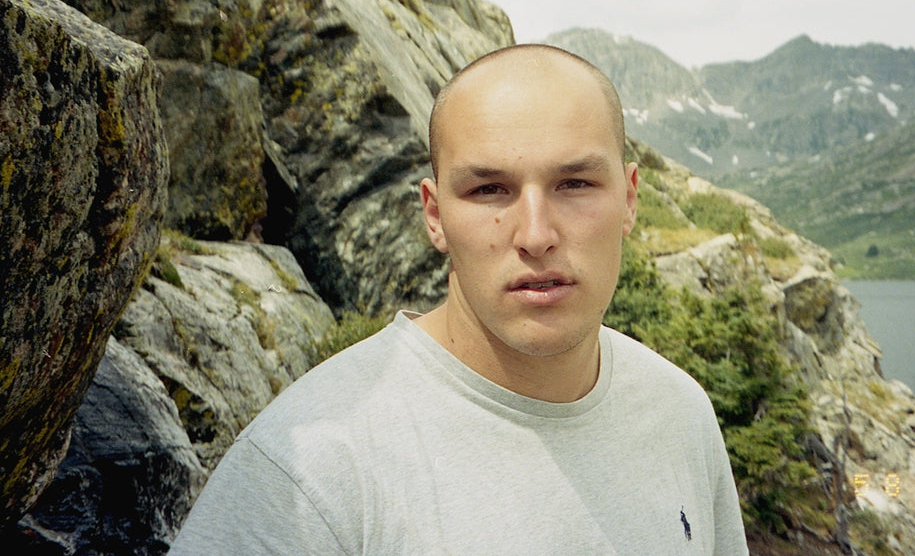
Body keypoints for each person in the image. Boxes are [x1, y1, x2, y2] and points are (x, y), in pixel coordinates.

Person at [168, 45, 750, 555]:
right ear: (435, 215)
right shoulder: (307, 475)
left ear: (628, 199)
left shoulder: (679, 413)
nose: (535, 234)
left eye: (574, 184)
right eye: (488, 189)